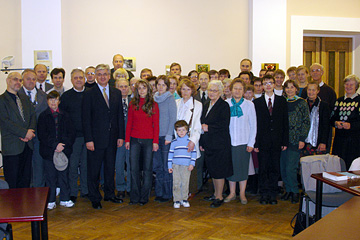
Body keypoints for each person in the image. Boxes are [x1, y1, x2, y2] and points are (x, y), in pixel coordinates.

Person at [82, 64, 125, 209]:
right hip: (95, 139)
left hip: (112, 138)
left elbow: (119, 116)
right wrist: (89, 139)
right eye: (99, 74)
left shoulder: (116, 93)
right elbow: (86, 119)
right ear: (95, 76)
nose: (102, 76)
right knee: (93, 170)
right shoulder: (89, 93)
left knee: (109, 167)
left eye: (105, 74)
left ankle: (109, 194)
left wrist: (120, 136)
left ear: (109, 75)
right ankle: (95, 197)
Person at [253, 75, 288, 205]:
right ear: (262, 86)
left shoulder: (281, 101)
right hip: (262, 141)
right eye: (265, 83)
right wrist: (255, 142)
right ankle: (264, 193)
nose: (268, 85)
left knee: (274, 167)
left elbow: (285, 122)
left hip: (277, 141)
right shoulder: (256, 103)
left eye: (270, 83)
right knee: (263, 168)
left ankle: (273, 194)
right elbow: (255, 125)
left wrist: (284, 141)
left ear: (274, 85)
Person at [37, 90, 76, 209]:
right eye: (51, 100)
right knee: (50, 176)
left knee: (64, 175)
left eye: (55, 99)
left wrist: (62, 145)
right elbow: (42, 135)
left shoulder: (66, 115)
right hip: (49, 152)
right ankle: (51, 200)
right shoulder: (43, 116)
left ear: (59, 101)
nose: (53, 102)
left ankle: (65, 198)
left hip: (63, 151)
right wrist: (55, 145)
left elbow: (71, 133)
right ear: (47, 101)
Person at [125, 80, 159, 205]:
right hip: (134, 139)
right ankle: (134, 197)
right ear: (136, 90)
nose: (142, 90)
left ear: (148, 89)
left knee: (147, 169)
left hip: (149, 140)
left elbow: (156, 125)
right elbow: (129, 123)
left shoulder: (153, 105)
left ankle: (144, 197)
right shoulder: (133, 104)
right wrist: (127, 139)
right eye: (139, 88)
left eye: (144, 88)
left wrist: (155, 141)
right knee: (134, 168)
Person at [0, 72, 36, 188]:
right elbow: (5, 122)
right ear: (8, 81)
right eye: (15, 79)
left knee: (25, 180)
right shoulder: (2, 100)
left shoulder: (24, 98)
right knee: (12, 182)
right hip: (12, 147)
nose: (18, 83)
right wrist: (24, 133)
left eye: (20, 80)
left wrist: (30, 131)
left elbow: (32, 116)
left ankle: (24, 206)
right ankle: (13, 206)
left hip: (27, 146)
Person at [200, 80, 232, 208]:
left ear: (220, 92)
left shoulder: (223, 105)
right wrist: (202, 142)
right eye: (210, 90)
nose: (211, 93)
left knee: (219, 171)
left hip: (220, 143)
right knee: (213, 170)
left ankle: (219, 196)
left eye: (214, 90)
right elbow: (202, 124)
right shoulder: (207, 104)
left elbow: (224, 125)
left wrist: (209, 128)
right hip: (209, 143)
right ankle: (215, 193)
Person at [225, 79, 257, 205]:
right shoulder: (226, 104)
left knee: (243, 169)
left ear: (244, 91)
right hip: (230, 142)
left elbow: (253, 125)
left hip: (244, 142)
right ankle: (232, 193)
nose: (237, 91)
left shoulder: (249, 105)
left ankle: (242, 193)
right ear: (231, 90)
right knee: (231, 169)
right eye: (235, 88)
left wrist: (251, 143)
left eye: (240, 89)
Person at [59, 69, 88, 202]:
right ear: (71, 80)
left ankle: (86, 190)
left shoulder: (90, 94)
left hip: (88, 137)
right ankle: (73, 192)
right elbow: (62, 118)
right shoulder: (66, 96)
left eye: (81, 77)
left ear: (84, 79)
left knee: (86, 165)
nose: (78, 80)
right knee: (73, 165)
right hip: (73, 138)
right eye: (75, 78)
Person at [280, 80, 310, 204]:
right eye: (287, 88)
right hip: (283, 140)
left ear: (296, 89)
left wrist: (302, 138)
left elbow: (306, 121)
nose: (289, 90)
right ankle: (287, 190)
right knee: (283, 167)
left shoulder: (302, 103)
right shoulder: (281, 102)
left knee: (290, 167)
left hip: (296, 139)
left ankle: (295, 191)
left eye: (292, 87)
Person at [18, 69, 48, 187]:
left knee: (39, 166)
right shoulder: (17, 95)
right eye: (28, 78)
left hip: (39, 138)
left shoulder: (43, 96)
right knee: (24, 166)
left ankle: (38, 192)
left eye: (33, 79)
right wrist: (23, 132)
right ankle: (24, 194)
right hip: (22, 137)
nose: (31, 81)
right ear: (22, 80)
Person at [176, 79, 203, 192]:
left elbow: (197, 125)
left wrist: (192, 141)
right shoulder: (176, 103)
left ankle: (191, 191)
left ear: (192, 91)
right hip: (177, 140)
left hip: (190, 139)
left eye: (188, 89)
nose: (186, 92)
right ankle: (180, 190)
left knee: (190, 166)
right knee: (178, 166)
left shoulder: (197, 105)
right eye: (183, 89)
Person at [153, 75, 177, 203]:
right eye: (159, 84)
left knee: (166, 167)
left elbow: (173, 118)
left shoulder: (170, 98)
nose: (161, 87)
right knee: (157, 166)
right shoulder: (153, 99)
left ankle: (167, 194)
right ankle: (159, 192)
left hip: (166, 138)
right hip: (155, 138)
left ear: (167, 86)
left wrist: (169, 135)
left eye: (163, 85)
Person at [330, 74, 360, 169]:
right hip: (339, 140)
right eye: (347, 84)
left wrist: (351, 125)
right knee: (338, 165)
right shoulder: (339, 101)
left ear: (356, 87)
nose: (348, 87)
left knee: (351, 166)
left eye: (351, 85)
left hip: (354, 141)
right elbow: (331, 118)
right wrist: (336, 123)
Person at [168, 120, 197, 208]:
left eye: (183, 130)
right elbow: (170, 154)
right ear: (176, 131)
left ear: (187, 130)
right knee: (176, 183)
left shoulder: (190, 142)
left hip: (186, 166)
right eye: (179, 130)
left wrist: (192, 163)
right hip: (175, 166)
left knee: (185, 182)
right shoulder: (174, 142)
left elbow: (194, 153)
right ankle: (177, 200)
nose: (181, 132)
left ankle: (184, 199)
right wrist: (169, 166)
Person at [301, 81, 330, 156]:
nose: (311, 92)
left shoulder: (324, 105)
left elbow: (325, 125)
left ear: (318, 91)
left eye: (313, 90)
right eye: (309, 90)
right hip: (304, 142)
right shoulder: (302, 104)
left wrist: (323, 142)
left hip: (318, 141)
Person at [114, 79, 132, 198]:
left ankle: (130, 187)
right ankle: (120, 187)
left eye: (126, 86)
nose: (124, 89)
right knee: (119, 163)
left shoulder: (133, 101)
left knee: (131, 163)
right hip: (118, 138)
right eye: (121, 86)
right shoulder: (113, 102)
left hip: (131, 137)